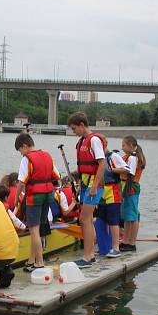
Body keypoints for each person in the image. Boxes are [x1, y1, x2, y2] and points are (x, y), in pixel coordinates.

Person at [13, 133, 61, 269]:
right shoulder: (47, 155)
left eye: (20, 150)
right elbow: (57, 176)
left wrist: (17, 198)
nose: (21, 153)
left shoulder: (26, 159)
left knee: (34, 230)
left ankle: (39, 262)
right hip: (48, 195)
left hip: (34, 196)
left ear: (24, 146)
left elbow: (21, 182)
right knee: (39, 227)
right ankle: (31, 260)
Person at [68, 112, 106, 267]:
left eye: (74, 128)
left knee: (84, 219)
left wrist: (94, 186)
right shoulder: (81, 141)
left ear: (82, 125)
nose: (73, 131)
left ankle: (88, 256)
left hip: (93, 186)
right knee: (88, 219)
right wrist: (80, 188)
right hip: (85, 185)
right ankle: (90, 254)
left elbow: (102, 164)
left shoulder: (94, 140)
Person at [97, 147, 130, 257]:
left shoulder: (113, 156)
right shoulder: (98, 157)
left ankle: (116, 248)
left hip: (113, 190)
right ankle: (105, 247)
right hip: (101, 190)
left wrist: (112, 169)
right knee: (101, 219)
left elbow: (126, 169)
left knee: (113, 220)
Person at [120, 135, 145, 251]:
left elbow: (130, 174)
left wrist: (126, 190)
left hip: (130, 187)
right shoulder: (129, 156)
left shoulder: (133, 158)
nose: (122, 147)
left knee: (133, 216)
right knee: (127, 215)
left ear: (130, 145)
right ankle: (125, 240)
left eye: (123, 145)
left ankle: (132, 243)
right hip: (127, 186)